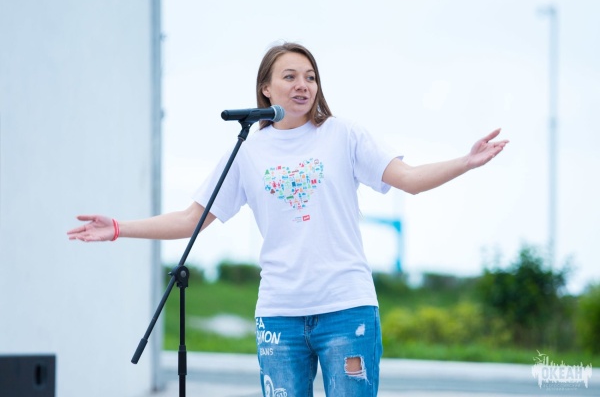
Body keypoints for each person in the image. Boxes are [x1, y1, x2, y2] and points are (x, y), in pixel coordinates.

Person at [68, 42, 508, 396]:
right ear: (265, 88)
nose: (303, 86)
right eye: (290, 76)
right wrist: (120, 228)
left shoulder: (343, 135)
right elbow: (191, 219)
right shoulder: (248, 151)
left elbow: (409, 179)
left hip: (346, 309)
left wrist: (465, 162)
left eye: (311, 77)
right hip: (279, 314)